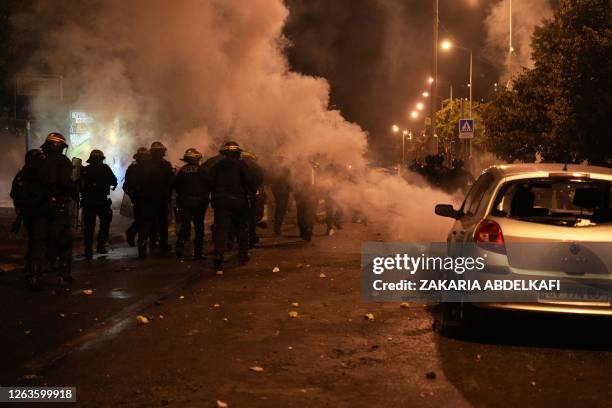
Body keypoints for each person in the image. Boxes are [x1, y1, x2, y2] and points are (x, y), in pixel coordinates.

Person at [206, 141, 257, 272]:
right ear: (237, 153)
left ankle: (218, 256)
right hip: (238, 202)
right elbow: (250, 182)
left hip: (221, 202)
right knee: (241, 227)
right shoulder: (242, 165)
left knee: (221, 230)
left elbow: (209, 182)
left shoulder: (217, 166)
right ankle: (243, 254)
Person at [39, 132, 75, 286]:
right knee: (64, 240)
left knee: (39, 240)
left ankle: (35, 273)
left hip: (37, 208)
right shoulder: (62, 160)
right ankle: (64, 274)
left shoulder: (37, 159)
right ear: (60, 146)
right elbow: (66, 184)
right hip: (57, 206)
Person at [10, 149, 49, 289]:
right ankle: (35, 275)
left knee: (33, 240)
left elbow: (14, 193)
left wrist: (21, 208)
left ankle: (29, 270)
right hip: (39, 214)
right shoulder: (42, 175)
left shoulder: (21, 175)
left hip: (27, 215)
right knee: (38, 242)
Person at [80, 149, 117, 260]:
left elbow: (78, 184)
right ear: (101, 159)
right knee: (104, 225)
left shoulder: (85, 170)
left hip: (88, 203)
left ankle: (88, 250)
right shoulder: (105, 168)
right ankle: (101, 246)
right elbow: (114, 181)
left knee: (88, 227)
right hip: (102, 202)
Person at [173, 148, 207, 259]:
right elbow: (209, 184)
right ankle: (198, 253)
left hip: (184, 202)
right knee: (199, 227)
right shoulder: (202, 170)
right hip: (199, 203)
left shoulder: (182, 171)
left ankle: (181, 243)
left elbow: (176, 186)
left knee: (185, 224)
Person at [147, 141, 175, 254]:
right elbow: (172, 182)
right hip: (162, 198)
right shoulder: (166, 165)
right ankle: (163, 244)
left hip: (149, 198)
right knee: (163, 222)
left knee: (152, 221)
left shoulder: (145, 164)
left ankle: (152, 243)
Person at [123, 147, 150, 258]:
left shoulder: (132, 168)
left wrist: (133, 196)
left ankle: (132, 231)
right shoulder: (150, 167)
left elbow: (126, 186)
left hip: (138, 199)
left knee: (141, 219)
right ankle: (142, 246)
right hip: (147, 199)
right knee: (146, 221)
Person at [240, 150, 265, 247]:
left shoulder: (238, 164)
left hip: (239, 195)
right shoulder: (255, 166)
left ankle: (234, 239)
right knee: (251, 218)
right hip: (251, 195)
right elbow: (260, 179)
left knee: (240, 218)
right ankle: (251, 238)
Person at [268, 160, 291, 235]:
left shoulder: (274, 168)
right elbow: (288, 179)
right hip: (283, 190)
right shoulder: (285, 168)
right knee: (281, 209)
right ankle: (277, 228)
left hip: (277, 189)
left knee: (279, 208)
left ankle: (277, 227)